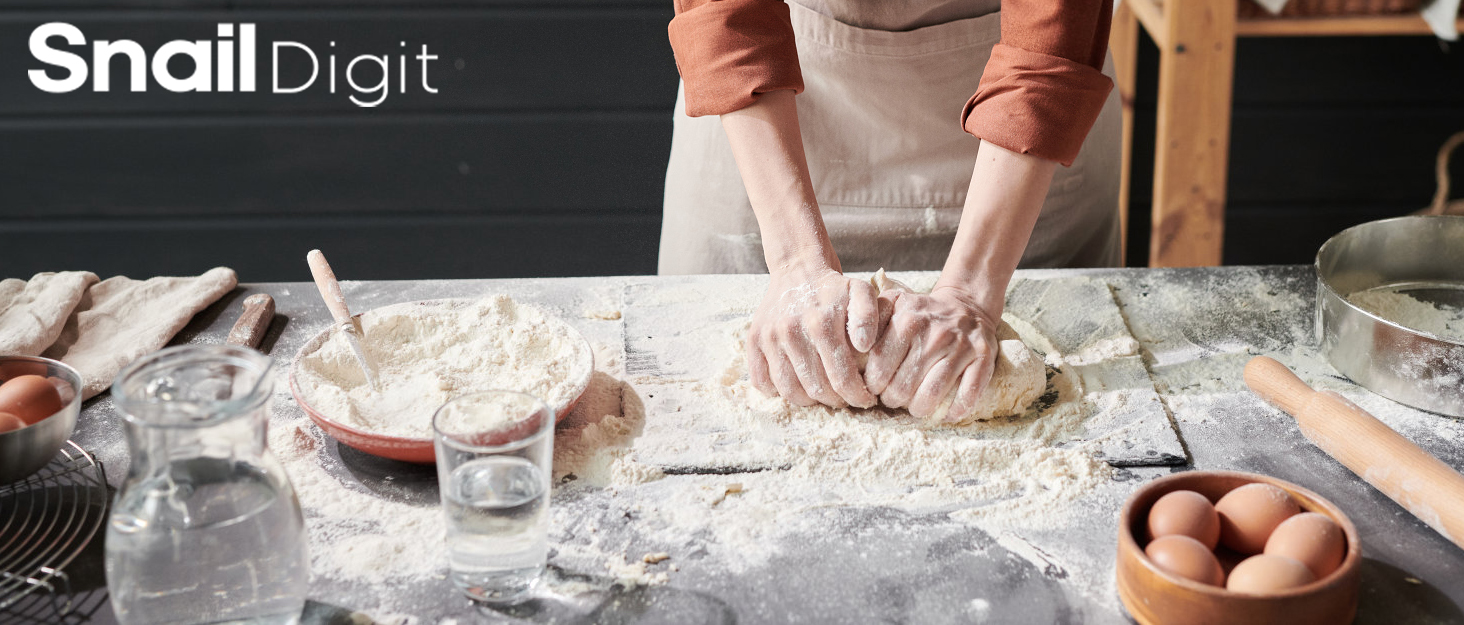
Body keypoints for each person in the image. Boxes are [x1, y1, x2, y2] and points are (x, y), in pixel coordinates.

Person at [661, 0, 1121, 420]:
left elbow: (1055, 20)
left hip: (1026, 132)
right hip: (763, 112)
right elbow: (729, 12)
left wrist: (971, 290)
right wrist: (794, 263)